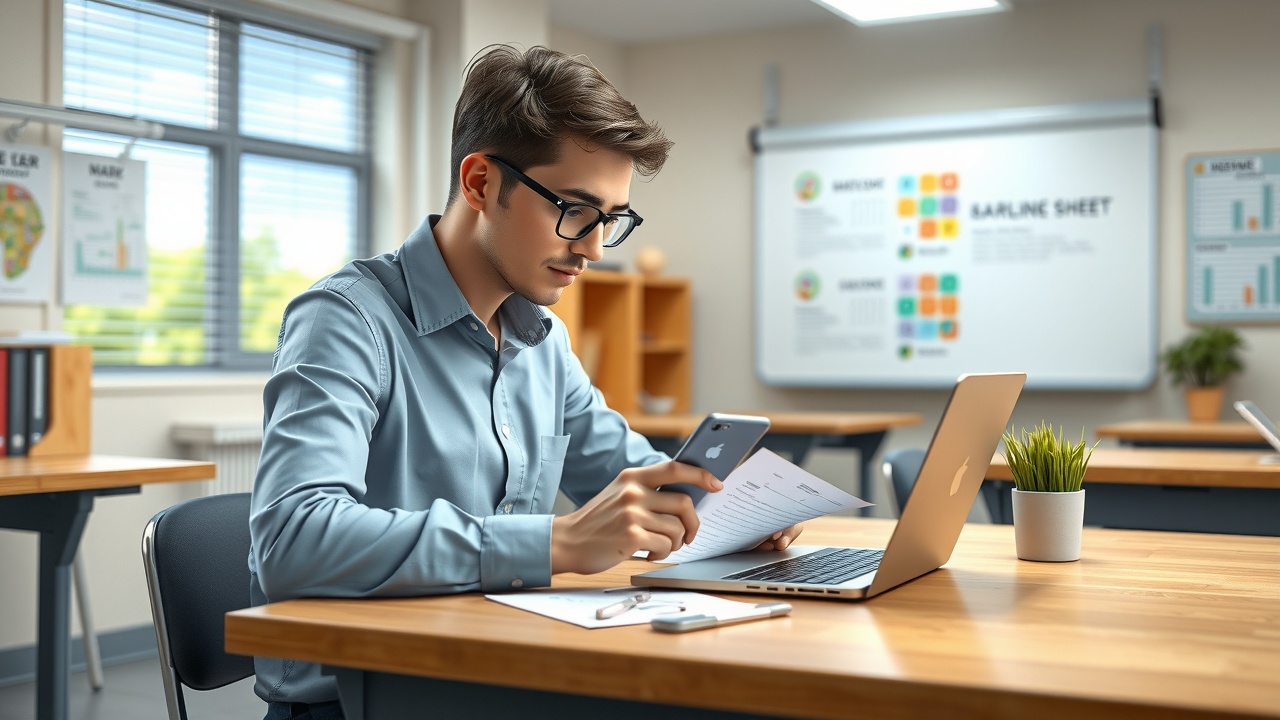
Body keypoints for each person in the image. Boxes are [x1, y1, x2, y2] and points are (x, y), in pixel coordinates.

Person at [248, 44, 801, 720]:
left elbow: (627, 475)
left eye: (611, 220)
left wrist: (729, 513)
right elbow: (292, 541)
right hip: (371, 696)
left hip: (501, 670)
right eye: (574, 209)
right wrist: (558, 542)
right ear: (481, 183)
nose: (595, 249)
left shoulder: (541, 338)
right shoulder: (345, 321)